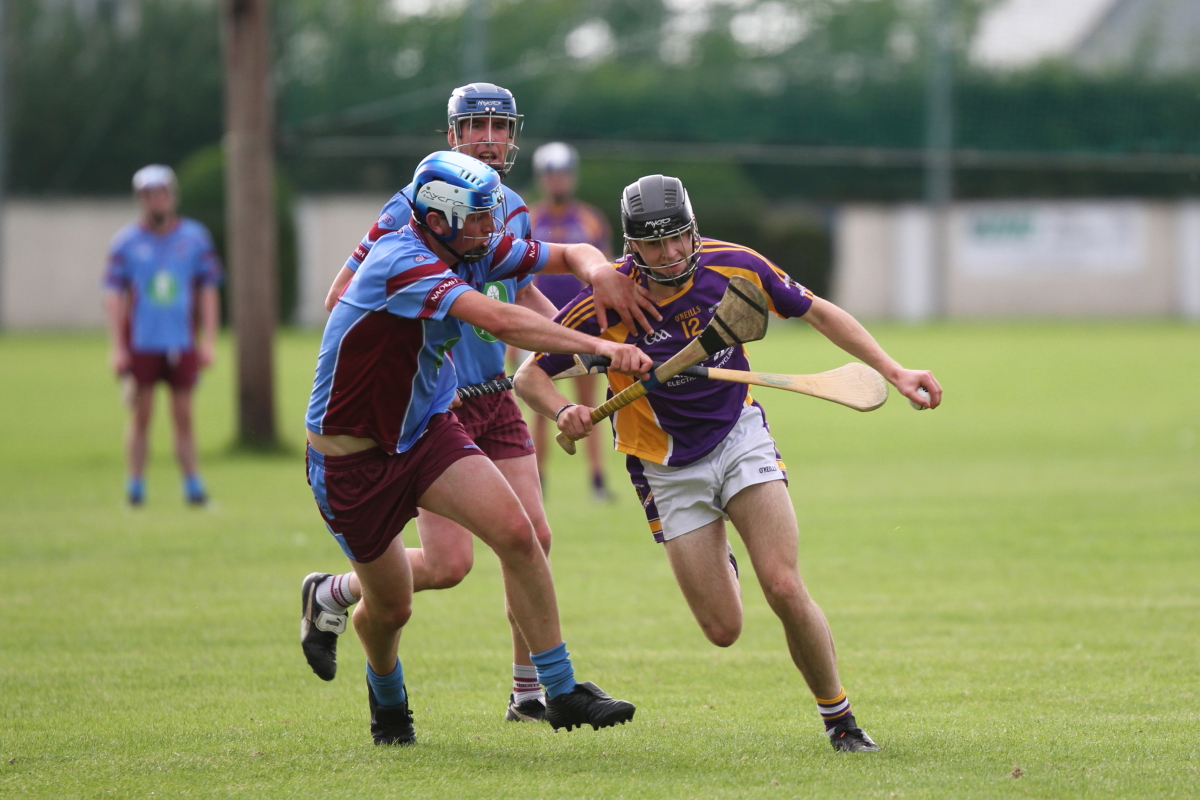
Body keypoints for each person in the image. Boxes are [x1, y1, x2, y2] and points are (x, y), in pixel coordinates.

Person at [514, 174, 943, 752]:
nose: (669, 254)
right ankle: (724, 559)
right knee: (723, 630)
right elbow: (529, 375)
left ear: (693, 230)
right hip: (663, 465)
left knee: (785, 585)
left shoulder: (734, 266)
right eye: (652, 244)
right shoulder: (608, 299)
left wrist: (896, 370)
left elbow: (816, 312)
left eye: (679, 238)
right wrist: (564, 409)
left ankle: (840, 721)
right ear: (630, 246)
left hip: (738, 436)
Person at [301, 85, 660, 725]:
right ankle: (387, 696)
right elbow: (502, 317)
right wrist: (599, 351)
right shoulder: (403, 261)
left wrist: (597, 270)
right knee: (394, 606)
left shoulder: (470, 237)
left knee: (521, 535)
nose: (490, 230)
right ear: (437, 220)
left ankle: (557, 691)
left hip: (428, 432)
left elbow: (553, 258)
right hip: (352, 462)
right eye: (476, 220)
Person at [102, 164, 221, 507]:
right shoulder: (125, 242)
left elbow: (208, 291)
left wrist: (209, 341)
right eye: (149, 195)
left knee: (184, 415)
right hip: (142, 341)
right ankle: (135, 487)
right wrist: (117, 348)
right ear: (141, 200)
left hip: (181, 341)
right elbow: (113, 296)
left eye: (162, 193)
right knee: (141, 415)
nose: (157, 201)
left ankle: (193, 487)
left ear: (172, 196)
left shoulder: (194, 238)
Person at [527, 142, 615, 501]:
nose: (557, 180)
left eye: (562, 173)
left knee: (590, 403)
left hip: (584, 326)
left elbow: (608, 275)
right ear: (541, 178)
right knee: (539, 402)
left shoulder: (591, 219)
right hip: (536, 327)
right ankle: (538, 481)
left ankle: (596, 480)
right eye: (551, 174)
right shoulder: (528, 219)